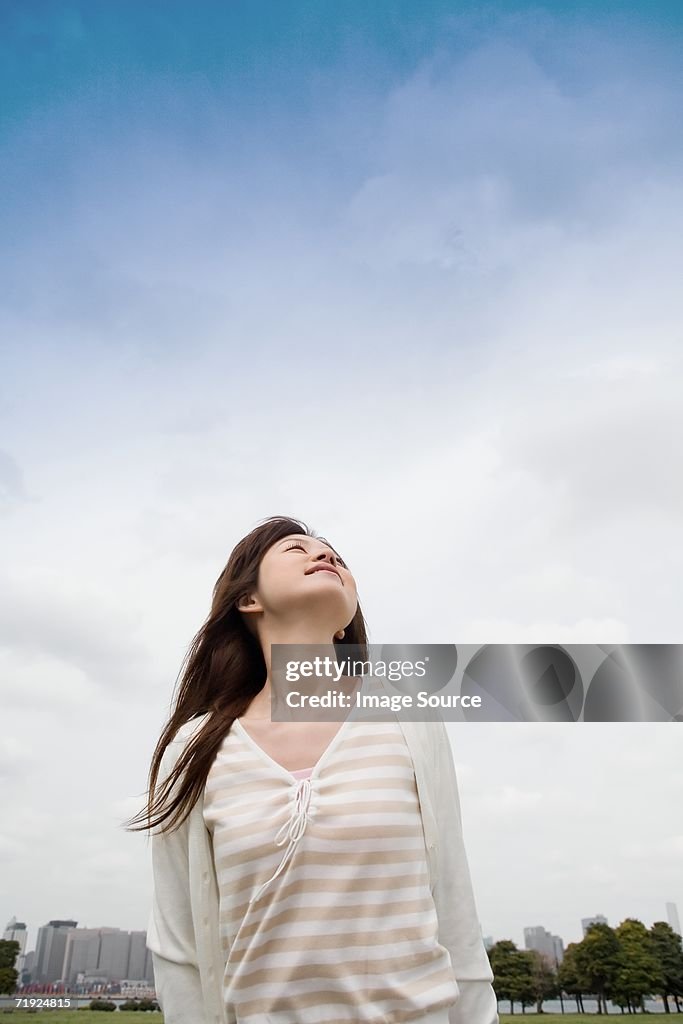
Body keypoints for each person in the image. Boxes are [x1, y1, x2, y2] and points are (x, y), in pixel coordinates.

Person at [124, 515, 498, 1024]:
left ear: (345, 619)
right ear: (248, 599)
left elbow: (455, 906)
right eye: (297, 549)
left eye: (335, 556)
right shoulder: (194, 751)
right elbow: (179, 947)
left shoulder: (409, 722)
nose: (325, 556)